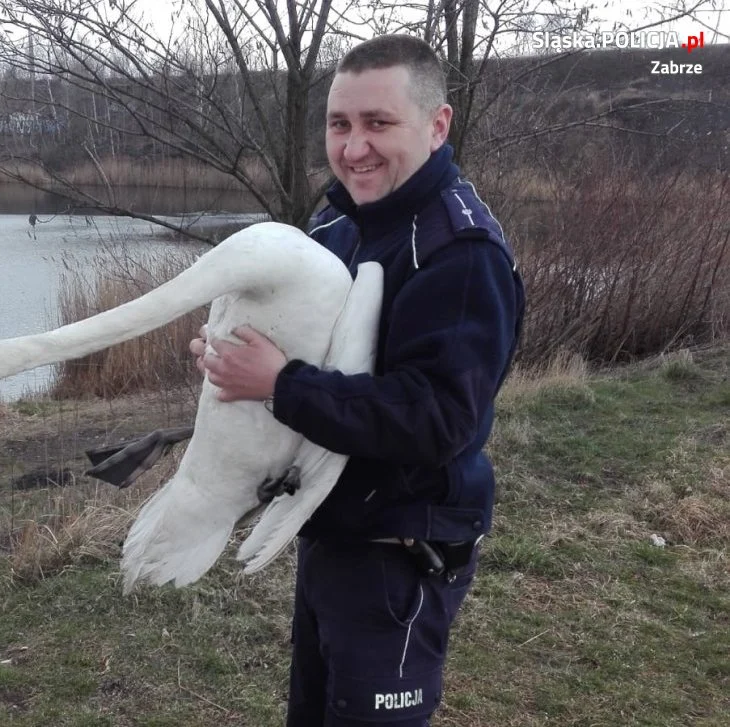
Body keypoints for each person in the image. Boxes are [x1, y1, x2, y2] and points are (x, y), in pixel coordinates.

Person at [191, 34, 525, 726]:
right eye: (339, 124)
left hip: (400, 552)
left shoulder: (460, 253)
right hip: (335, 530)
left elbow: (438, 420)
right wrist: (232, 354)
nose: (353, 147)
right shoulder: (339, 222)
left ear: (437, 125)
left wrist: (282, 384)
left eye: (378, 123)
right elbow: (306, 352)